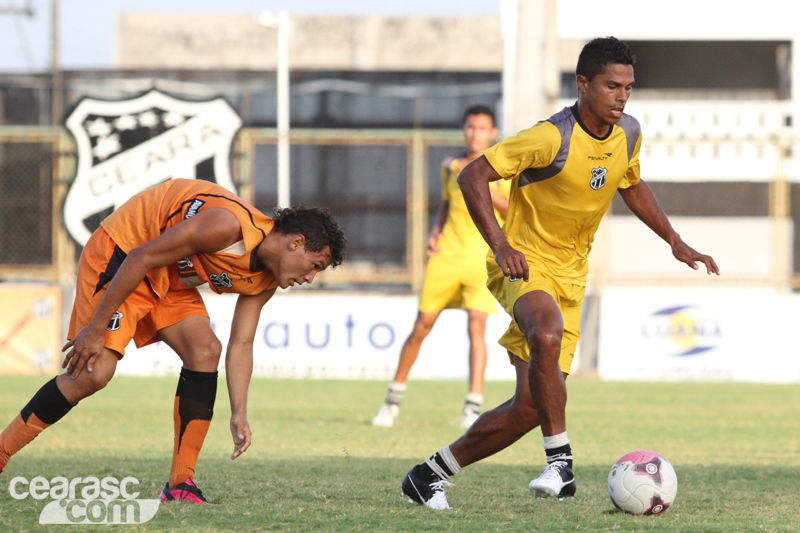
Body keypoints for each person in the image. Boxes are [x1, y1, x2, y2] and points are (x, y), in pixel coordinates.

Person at [400, 37, 720, 510]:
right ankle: (562, 464)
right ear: (583, 84)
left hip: (572, 275)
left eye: (628, 88)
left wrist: (673, 240)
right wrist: (501, 244)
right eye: (612, 86)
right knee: (545, 333)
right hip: (522, 263)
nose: (622, 97)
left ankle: (427, 476)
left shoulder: (628, 132)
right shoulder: (550, 136)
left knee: (529, 409)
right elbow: (473, 176)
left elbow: (630, 183)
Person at [0, 178, 346, 504]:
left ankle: (180, 484)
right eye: (314, 265)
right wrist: (94, 327)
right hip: (123, 252)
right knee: (93, 374)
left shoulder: (265, 279)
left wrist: (239, 412)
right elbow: (141, 257)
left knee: (205, 350)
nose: (310, 278)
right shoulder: (225, 227)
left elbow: (241, 343)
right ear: (295, 242)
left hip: (167, 274)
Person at [372, 105, 510, 429]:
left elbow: (513, 207)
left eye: (482, 128)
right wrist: (435, 232)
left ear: (493, 133)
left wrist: (483, 185)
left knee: (477, 327)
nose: (475, 133)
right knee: (422, 325)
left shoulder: (503, 171)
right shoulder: (451, 166)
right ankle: (392, 402)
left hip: (482, 259)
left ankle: (472, 410)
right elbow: (446, 204)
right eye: (471, 127)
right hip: (447, 256)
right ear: (464, 129)